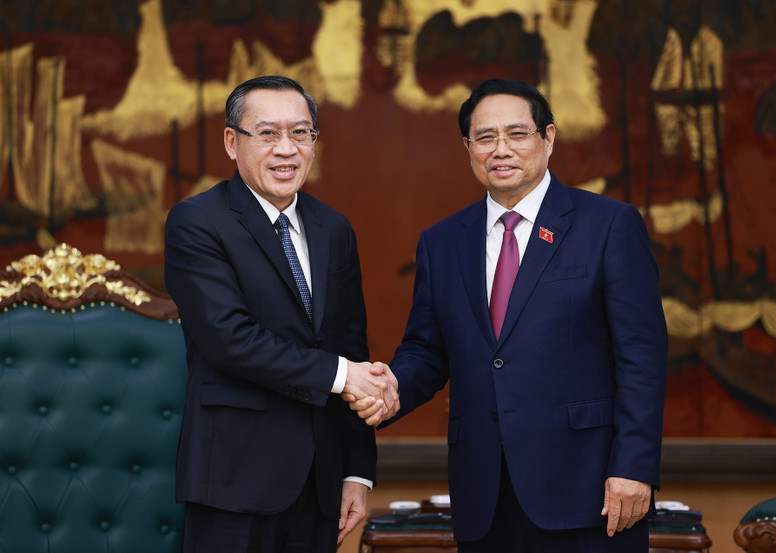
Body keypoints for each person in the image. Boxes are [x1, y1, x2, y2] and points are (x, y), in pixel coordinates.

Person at [349, 78, 667, 552]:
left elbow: (642, 356)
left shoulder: (609, 225)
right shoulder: (443, 242)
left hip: (591, 489)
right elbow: (427, 350)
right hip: (484, 494)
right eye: (485, 137)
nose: (501, 149)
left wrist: (633, 467)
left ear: (548, 138)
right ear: (468, 147)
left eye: (517, 134)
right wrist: (390, 389)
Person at [164, 75, 398, 553]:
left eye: (301, 133)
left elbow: (351, 347)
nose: (287, 149)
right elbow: (229, 339)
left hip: (320, 483)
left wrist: (357, 470)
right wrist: (343, 376)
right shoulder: (197, 222)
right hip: (234, 480)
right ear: (232, 142)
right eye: (268, 133)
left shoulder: (333, 228)